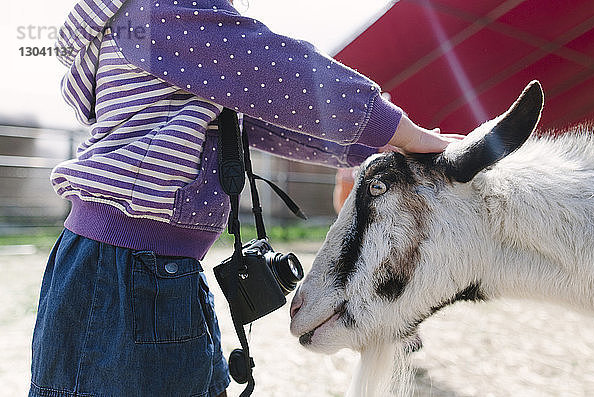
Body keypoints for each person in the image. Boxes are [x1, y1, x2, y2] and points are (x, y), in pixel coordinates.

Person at [29, 1, 461, 396]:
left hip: (141, 261)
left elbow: (260, 114)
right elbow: (275, 72)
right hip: (127, 267)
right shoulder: (161, 8)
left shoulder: (148, 24)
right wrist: (402, 131)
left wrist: (382, 147)